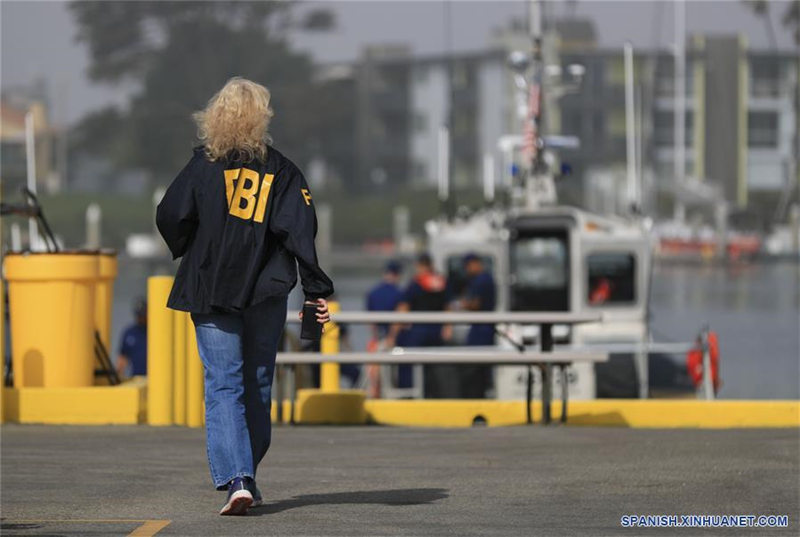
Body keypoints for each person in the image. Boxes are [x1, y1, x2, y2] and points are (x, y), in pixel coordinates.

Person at [156, 77, 333, 516]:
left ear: (215, 116)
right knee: (256, 384)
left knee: (223, 384)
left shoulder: (202, 166)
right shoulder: (283, 170)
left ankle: (239, 478)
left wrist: (192, 244)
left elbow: (170, 215)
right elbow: (300, 232)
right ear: (262, 119)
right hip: (265, 290)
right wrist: (316, 289)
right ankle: (245, 476)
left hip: (210, 285)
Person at [387, 253, 452, 395]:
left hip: (418, 332)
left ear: (420, 266)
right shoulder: (442, 282)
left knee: (409, 366)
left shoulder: (416, 283)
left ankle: (409, 396)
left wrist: (392, 334)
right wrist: (448, 327)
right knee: (434, 369)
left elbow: (403, 309)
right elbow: (447, 307)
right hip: (436, 331)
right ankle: (434, 396)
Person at [460, 253, 497, 398]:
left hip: (482, 329)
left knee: (476, 367)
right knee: (480, 368)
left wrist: (463, 305)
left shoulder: (481, 280)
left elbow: (475, 304)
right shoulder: (484, 279)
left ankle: (478, 398)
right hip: (484, 328)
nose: (467, 270)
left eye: (468, 266)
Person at [116, 298, 148, 378]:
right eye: (139, 315)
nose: (141, 318)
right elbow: (123, 357)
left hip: (155, 378)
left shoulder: (156, 332)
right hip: (137, 378)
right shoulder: (130, 333)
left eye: (143, 315)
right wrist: (118, 375)